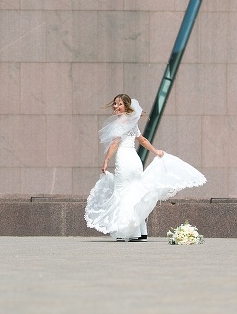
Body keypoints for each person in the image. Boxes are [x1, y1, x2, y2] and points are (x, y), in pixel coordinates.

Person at [85, 94, 206, 241]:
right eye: (115, 104)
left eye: (119, 104)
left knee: (123, 193)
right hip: (135, 162)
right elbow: (142, 140)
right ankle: (141, 232)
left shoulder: (119, 124)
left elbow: (115, 144)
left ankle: (128, 232)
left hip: (124, 161)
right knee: (135, 192)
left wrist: (105, 160)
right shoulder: (131, 122)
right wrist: (156, 151)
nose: (116, 107)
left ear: (126, 106)